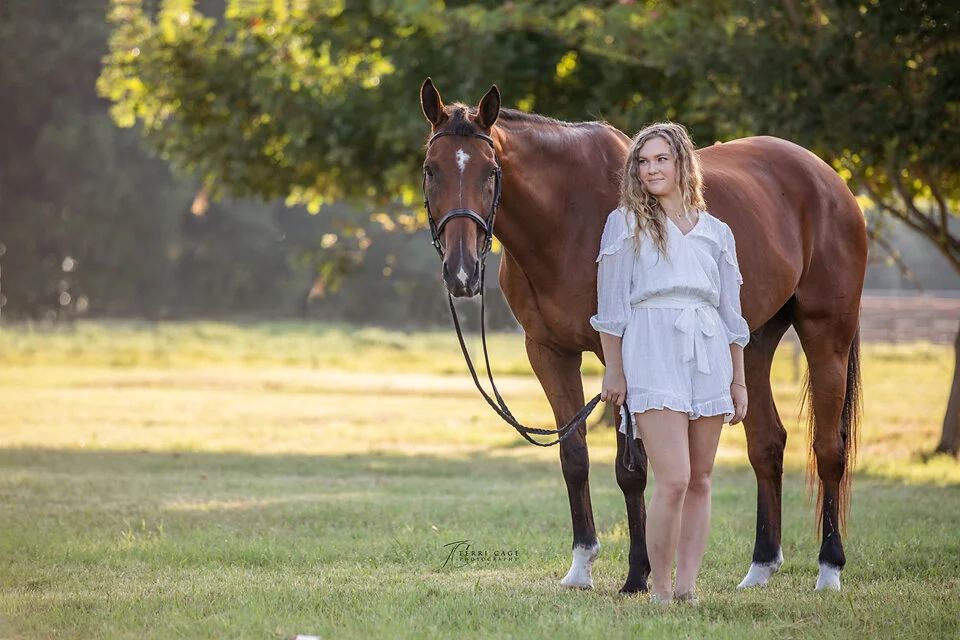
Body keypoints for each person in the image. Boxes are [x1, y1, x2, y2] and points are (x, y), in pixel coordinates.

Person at [590, 122, 750, 604]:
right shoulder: (625, 224)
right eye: (642, 161)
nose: (651, 169)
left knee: (701, 478)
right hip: (652, 348)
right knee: (674, 478)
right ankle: (659, 589)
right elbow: (612, 306)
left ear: (683, 163)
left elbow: (731, 316)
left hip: (708, 354)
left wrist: (739, 381)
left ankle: (686, 590)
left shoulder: (717, 233)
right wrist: (613, 369)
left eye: (661, 159)